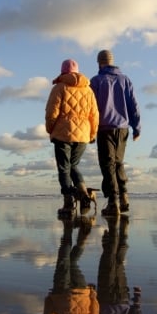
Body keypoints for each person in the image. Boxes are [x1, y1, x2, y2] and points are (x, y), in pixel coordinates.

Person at [43, 216, 99, 314]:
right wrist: (49, 300)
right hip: (61, 295)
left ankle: (82, 241)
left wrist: (92, 295)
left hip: (82, 292)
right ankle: (68, 228)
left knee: (72, 263)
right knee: (63, 260)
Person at [90, 49, 141, 217]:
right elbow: (133, 104)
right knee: (118, 163)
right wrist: (137, 127)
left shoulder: (96, 81)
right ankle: (124, 197)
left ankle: (113, 202)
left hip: (105, 128)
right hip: (123, 128)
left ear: (99, 62)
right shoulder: (125, 80)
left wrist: (90, 131)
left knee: (108, 165)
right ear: (112, 61)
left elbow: (91, 109)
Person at [45, 58, 99, 217]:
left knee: (64, 167)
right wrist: (92, 134)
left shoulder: (59, 87)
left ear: (63, 71)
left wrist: (50, 129)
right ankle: (82, 191)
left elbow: (51, 112)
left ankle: (68, 203)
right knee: (73, 165)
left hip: (62, 133)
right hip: (82, 135)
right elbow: (94, 114)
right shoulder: (88, 90)